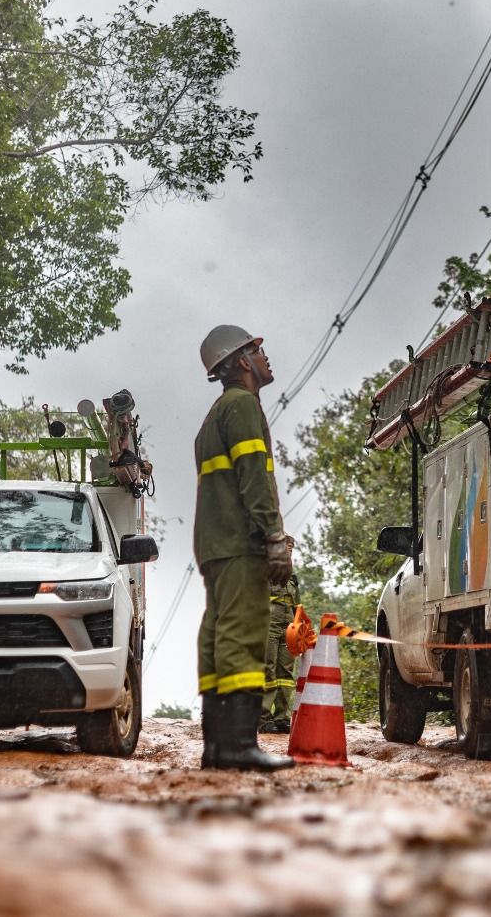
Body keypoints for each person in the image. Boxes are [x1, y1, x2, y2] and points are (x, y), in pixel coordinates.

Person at [193, 325, 294, 771]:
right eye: (256, 349)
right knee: (241, 635)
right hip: (239, 543)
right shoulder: (242, 407)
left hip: (216, 544)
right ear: (239, 362)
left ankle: (217, 748)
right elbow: (255, 478)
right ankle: (238, 746)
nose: (264, 355)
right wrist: (274, 537)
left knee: (217, 634)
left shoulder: (215, 414)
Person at [259, 571, 300, 734]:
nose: (289, 547)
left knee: (286, 673)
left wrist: (302, 628)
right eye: (285, 544)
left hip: (288, 628)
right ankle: (264, 719)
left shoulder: (292, 577)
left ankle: (282, 718)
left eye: (291, 544)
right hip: (269, 625)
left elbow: (297, 606)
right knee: (268, 669)